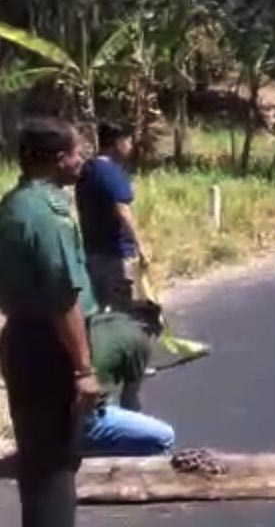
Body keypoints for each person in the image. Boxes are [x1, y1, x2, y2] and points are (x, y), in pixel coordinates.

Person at [0, 117, 103, 527]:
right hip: (49, 349)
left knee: (37, 464)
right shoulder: (48, 216)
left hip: (21, 340)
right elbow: (64, 298)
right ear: (57, 160)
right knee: (55, 470)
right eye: (77, 153)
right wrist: (83, 369)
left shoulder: (13, 203)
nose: (82, 162)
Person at [75, 122, 148, 313]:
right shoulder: (111, 173)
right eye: (129, 141)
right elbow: (122, 210)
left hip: (93, 252)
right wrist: (140, 244)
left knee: (101, 309)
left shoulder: (88, 169)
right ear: (118, 142)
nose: (131, 146)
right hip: (116, 254)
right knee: (123, 310)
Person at [81, 312, 174, 457]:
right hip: (79, 421)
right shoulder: (140, 338)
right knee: (165, 437)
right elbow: (130, 401)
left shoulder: (98, 320)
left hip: (47, 409)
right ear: (149, 328)